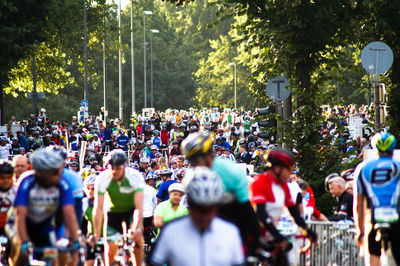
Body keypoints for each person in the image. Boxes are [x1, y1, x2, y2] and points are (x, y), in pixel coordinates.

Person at [181, 132, 261, 256]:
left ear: (208, 154)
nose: (194, 164)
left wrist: (256, 242)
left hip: (234, 222)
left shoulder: (231, 171)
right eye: (191, 160)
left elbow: (247, 210)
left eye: (197, 159)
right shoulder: (191, 175)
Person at [148, 167, 244, 266]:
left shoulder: (230, 231)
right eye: (198, 205)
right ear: (189, 203)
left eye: (209, 206)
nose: (204, 213)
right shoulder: (171, 231)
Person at [14, 148, 79, 265]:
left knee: (53, 259)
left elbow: (69, 213)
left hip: (45, 225)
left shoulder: (62, 183)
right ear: (41, 172)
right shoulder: (27, 181)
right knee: (21, 256)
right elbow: (20, 215)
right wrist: (24, 241)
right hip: (24, 224)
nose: (58, 176)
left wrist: (75, 240)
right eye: (53, 172)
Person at [251, 149, 317, 258]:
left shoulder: (283, 185)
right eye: (288, 169)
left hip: (271, 234)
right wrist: (278, 236)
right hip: (256, 236)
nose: (291, 173)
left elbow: (294, 212)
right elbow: (261, 214)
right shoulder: (260, 182)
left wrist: (308, 231)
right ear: (277, 168)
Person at [353, 132, 400, 266]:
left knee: (372, 257)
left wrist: (360, 232)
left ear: (375, 149)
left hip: (374, 218)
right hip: (396, 216)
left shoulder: (363, 169)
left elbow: (358, 204)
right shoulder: (398, 166)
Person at [93, 149, 144, 266]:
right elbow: (98, 208)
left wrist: (136, 227)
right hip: (112, 213)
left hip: (131, 211)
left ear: (125, 166)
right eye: (112, 167)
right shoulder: (102, 178)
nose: (115, 171)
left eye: (118, 168)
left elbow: (139, 207)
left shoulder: (135, 177)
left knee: (137, 240)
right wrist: (96, 234)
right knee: (110, 248)